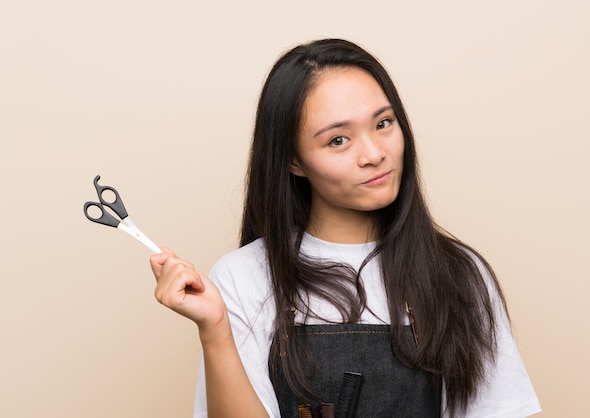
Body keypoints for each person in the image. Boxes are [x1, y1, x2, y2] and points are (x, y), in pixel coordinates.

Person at [150, 38, 541, 418]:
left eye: (384, 123)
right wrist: (214, 330)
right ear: (294, 161)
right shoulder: (244, 276)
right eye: (338, 140)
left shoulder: (458, 274)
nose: (374, 154)